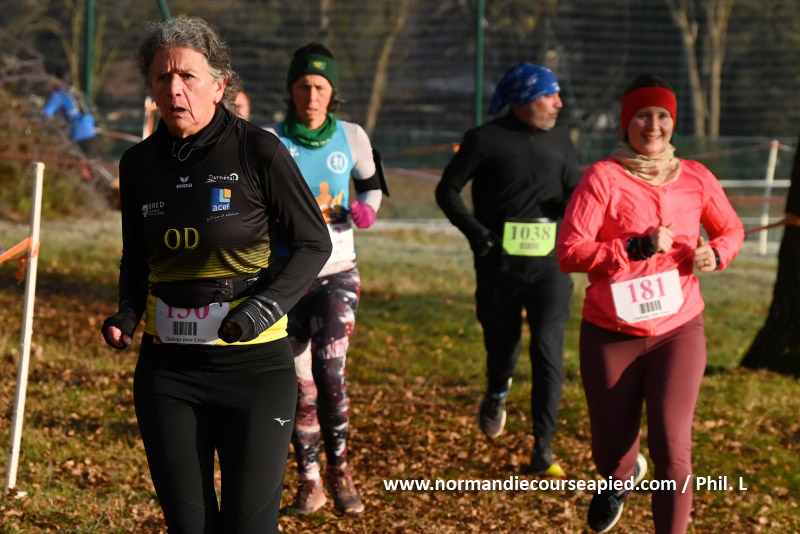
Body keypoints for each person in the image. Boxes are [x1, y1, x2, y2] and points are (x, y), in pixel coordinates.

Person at [100, 17, 331, 534]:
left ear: (220, 85)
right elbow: (136, 256)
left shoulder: (259, 151)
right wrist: (128, 312)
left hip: (255, 369)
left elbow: (315, 243)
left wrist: (260, 310)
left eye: (188, 76)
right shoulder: (137, 164)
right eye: (162, 77)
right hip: (168, 371)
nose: (174, 89)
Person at [556, 73, 744, 533]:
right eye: (643, 115)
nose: (653, 126)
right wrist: (634, 247)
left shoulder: (696, 178)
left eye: (662, 116)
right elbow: (569, 252)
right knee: (610, 450)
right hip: (611, 332)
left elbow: (731, 229)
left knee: (673, 446)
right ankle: (620, 477)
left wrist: (717, 252)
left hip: (678, 329)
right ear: (627, 122)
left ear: (673, 122)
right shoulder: (602, 178)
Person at [435, 63, 581, 477]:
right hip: (498, 264)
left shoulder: (562, 140)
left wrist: (567, 208)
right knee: (504, 348)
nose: (559, 103)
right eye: (550, 95)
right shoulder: (484, 139)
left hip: (550, 267)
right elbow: (447, 190)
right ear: (523, 99)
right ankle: (498, 389)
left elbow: (577, 193)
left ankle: (543, 447)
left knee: (547, 349)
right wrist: (476, 234)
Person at [263, 42, 385, 517]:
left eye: (319, 87)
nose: (311, 96)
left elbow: (372, 185)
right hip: (287, 277)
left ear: (332, 92)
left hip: (338, 273)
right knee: (300, 386)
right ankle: (309, 481)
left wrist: (366, 209)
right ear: (291, 90)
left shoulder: (352, 136)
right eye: (302, 86)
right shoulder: (270, 139)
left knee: (330, 372)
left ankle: (341, 470)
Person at [42, 82, 97, 158]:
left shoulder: (59, 95)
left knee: (79, 156)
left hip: (79, 130)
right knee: (90, 156)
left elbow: (47, 111)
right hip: (89, 128)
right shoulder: (71, 95)